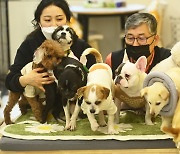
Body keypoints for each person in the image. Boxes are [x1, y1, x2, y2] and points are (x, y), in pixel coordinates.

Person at [5, 0, 95, 93]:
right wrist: (25, 80)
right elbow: (10, 80)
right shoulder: (30, 43)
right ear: (39, 21)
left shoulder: (79, 45)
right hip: (41, 102)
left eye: (59, 19)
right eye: (47, 20)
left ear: (68, 20)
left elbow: (95, 73)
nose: (54, 24)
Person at [105, 12, 171, 78]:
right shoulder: (113, 60)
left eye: (141, 38)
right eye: (130, 38)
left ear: (155, 40)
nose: (135, 44)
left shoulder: (169, 59)